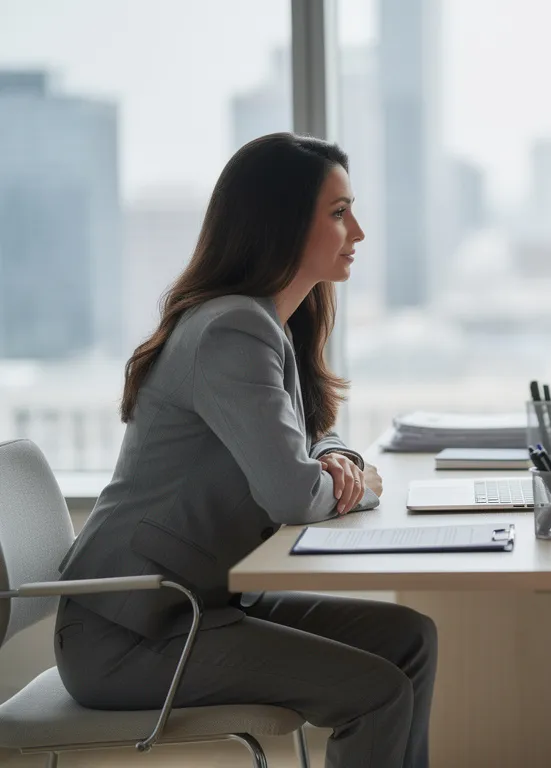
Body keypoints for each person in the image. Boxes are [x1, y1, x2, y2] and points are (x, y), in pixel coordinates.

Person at [54, 133, 437, 767]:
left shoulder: (267, 322)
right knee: (376, 691)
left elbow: (314, 434)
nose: (359, 232)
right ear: (281, 223)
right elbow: (292, 492)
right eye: (339, 213)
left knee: (409, 637)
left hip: (197, 607)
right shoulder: (233, 329)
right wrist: (359, 482)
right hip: (130, 633)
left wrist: (337, 460)